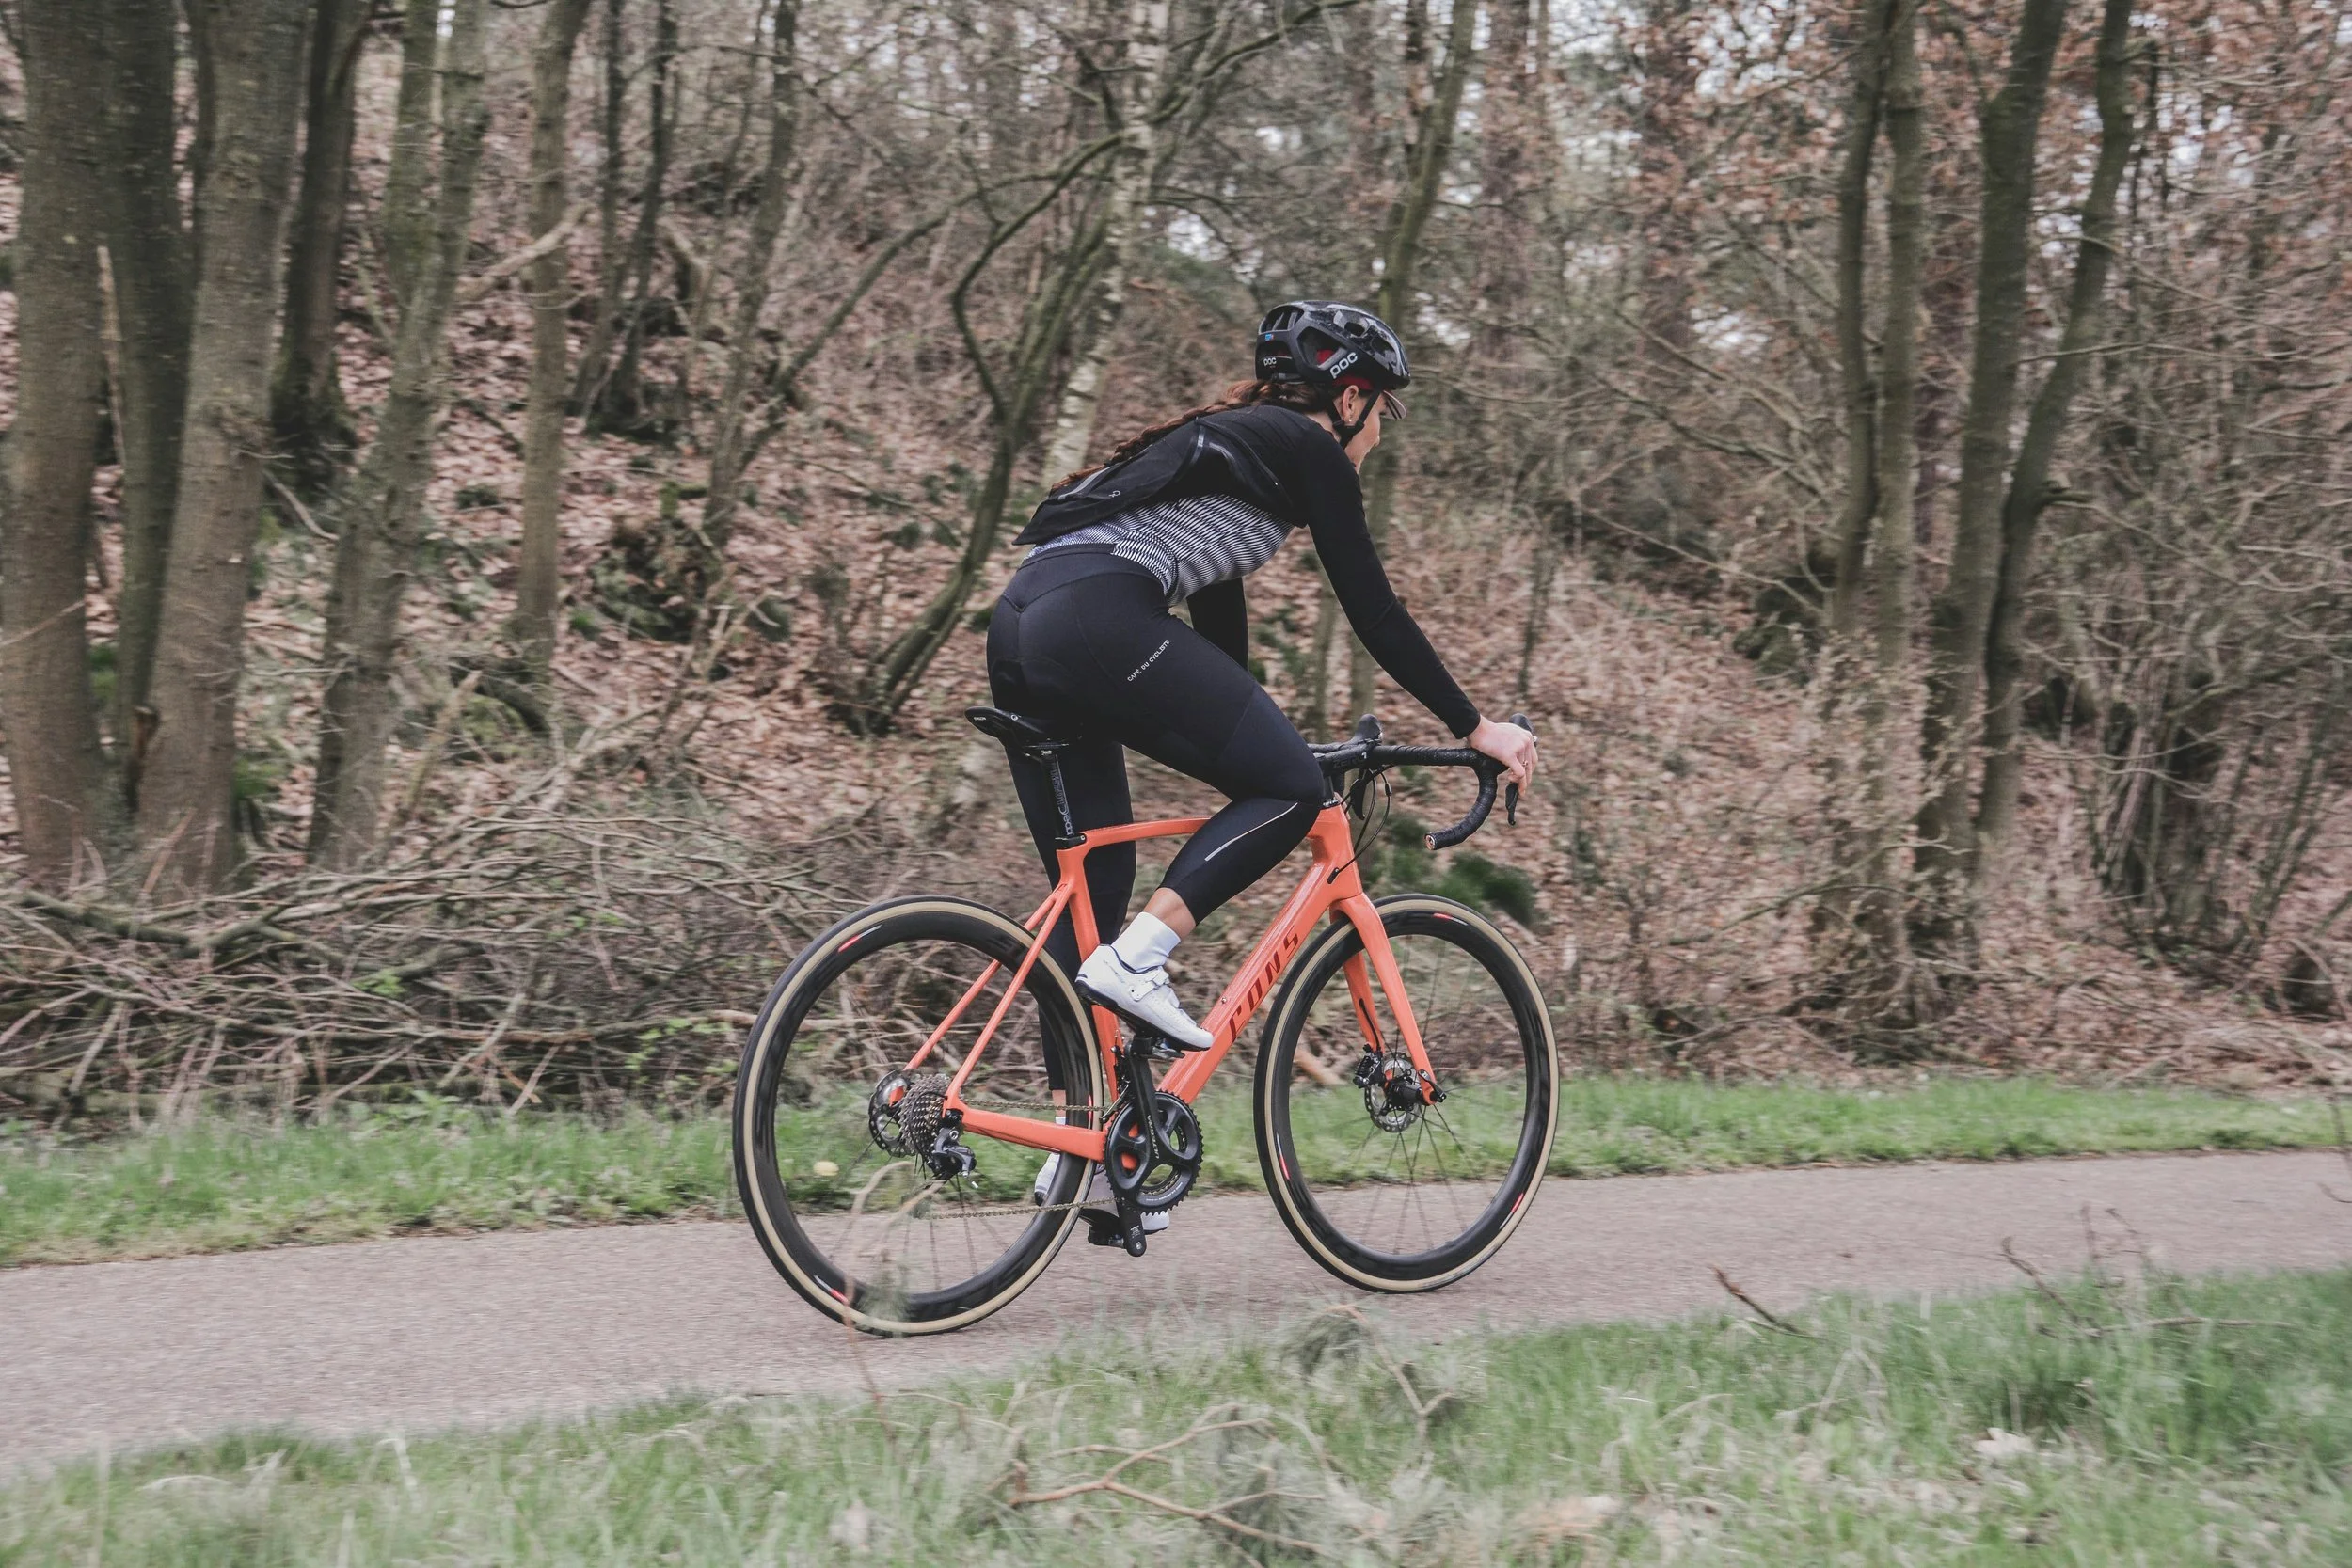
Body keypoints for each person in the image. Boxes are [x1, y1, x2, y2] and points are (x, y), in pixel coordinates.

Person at [986, 300, 1538, 1060]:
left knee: (1099, 885)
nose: (1379, 434)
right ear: (1350, 398)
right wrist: (1476, 727)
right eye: (1383, 412)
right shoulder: (1309, 448)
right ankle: (1142, 959)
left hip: (1021, 626)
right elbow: (1375, 611)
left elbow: (1220, 638)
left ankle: (1071, 1124)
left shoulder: (1239, 452)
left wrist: (1261, 737)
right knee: (1290, 791)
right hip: (1094, 616)